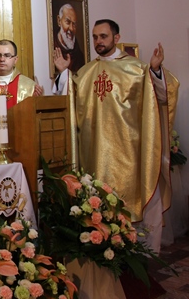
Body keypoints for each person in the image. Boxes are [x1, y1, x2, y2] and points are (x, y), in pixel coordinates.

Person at [53, 19, 179, 253]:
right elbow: (69, 101)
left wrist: (155, 71)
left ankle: (140, 254)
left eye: (103, 36)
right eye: (95, 37)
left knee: (133, 199)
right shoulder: (86, 72)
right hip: (95, 153)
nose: (98, 41)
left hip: (129, 152)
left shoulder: (137, 68)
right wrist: (64, 74)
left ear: (116, 38)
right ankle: (105, 252)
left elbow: (162, 98)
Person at [53, 3, 85, 74]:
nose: (71, 28)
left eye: (74, 24)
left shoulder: (79, 55)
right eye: (67, 22)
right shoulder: (51, 46)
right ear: (59, 21)